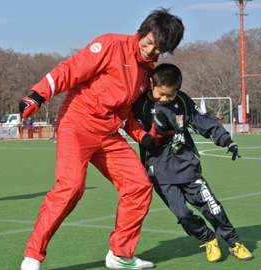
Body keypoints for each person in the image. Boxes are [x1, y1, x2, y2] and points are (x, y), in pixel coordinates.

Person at [18, 8, 184, 270]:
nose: (151, 51)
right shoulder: (110, 44)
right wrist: (38, 95)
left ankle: (120, 254)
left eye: (159, 49)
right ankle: (32, 256)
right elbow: (70, 69)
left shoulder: (147, 71)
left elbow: (127, 113)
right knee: (71, 187)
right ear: (143, 31)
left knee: (139, 185)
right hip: (77, 124)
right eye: (150, 42)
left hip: (108, 134)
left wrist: (143, 136)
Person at [133, 63, 253, 263]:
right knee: (182, 214)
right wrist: (157, 131)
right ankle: (208, 239)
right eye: (161, 94)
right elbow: (140, 134)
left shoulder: (182, 101)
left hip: (187, 166)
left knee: (212, 207)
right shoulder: (141, 105)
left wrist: (226, 140)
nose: (165, 99)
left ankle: (234, 242)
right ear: (152, 83)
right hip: (159, 171)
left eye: (170, 95)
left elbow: (204, 121)